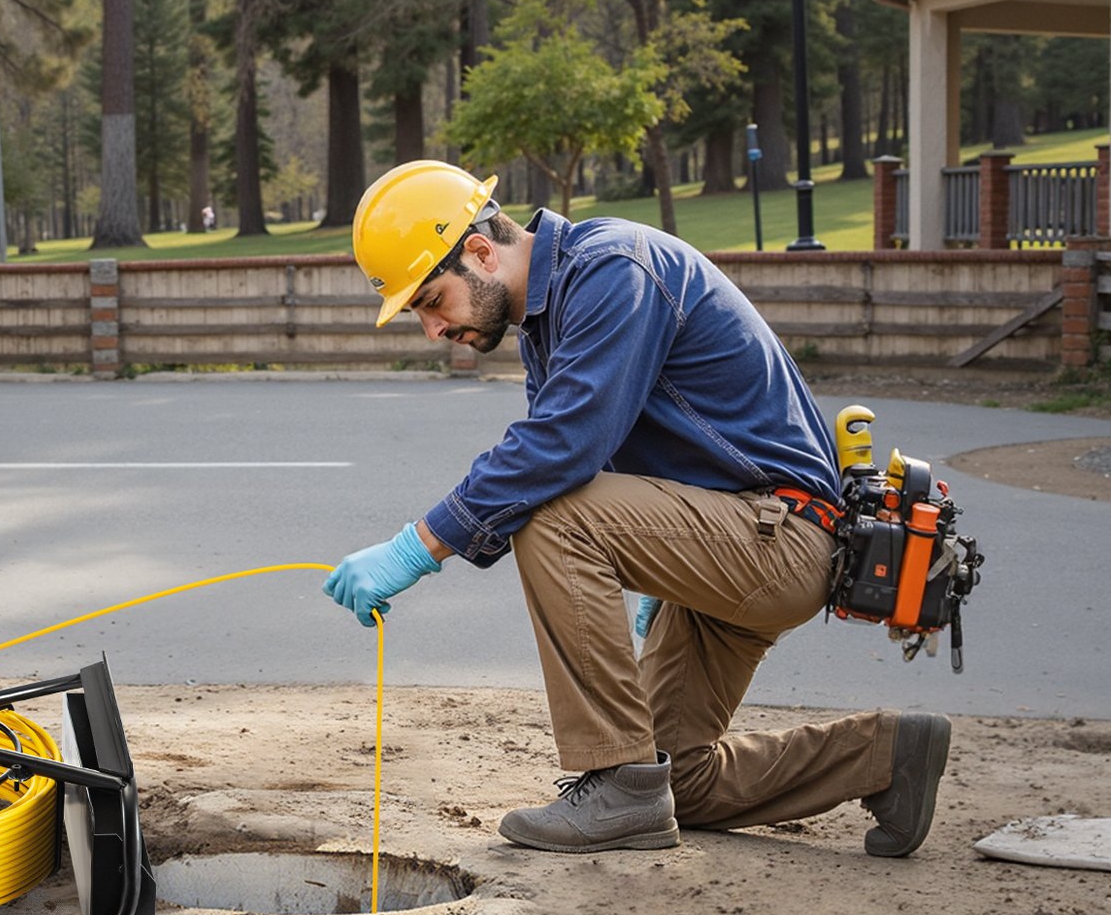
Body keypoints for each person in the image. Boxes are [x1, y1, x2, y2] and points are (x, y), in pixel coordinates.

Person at [323, 160, 949, 858]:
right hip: (740, 539)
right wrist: (662, 575)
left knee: (553, 512)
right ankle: (886, 755)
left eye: (433, 301)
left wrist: (418, 546)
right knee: (680, 778)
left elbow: (561, 451)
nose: (433, 330)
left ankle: (617, 784)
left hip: (781, 538)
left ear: (479, 250)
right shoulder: (550, 319)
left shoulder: (614, 267)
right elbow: (607, 450)